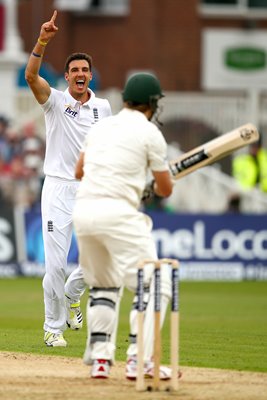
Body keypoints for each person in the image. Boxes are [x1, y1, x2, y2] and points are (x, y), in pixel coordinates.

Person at [73, 72, 174, 379]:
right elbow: (165, 189)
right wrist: (147, 188)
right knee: (156, 283)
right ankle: (139, 360)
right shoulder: (150, 133)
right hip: (118, 213)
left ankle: (101, 361)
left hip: (84, 210)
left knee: (104, 285)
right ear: (153, 104)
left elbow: (79, 171)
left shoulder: (102, 126)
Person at [25, 10, 112, 347]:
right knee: (56, 265)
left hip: (91, 189)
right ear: (66, 76)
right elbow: (31, 76)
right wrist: (43, 41)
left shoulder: (103, 107)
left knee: (101, 258)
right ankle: (53, 328)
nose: (80, 74)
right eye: (74, 70)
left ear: (90, 77)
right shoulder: (55, 102)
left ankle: (74, 293)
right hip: (58, 189)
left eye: (84, 70)